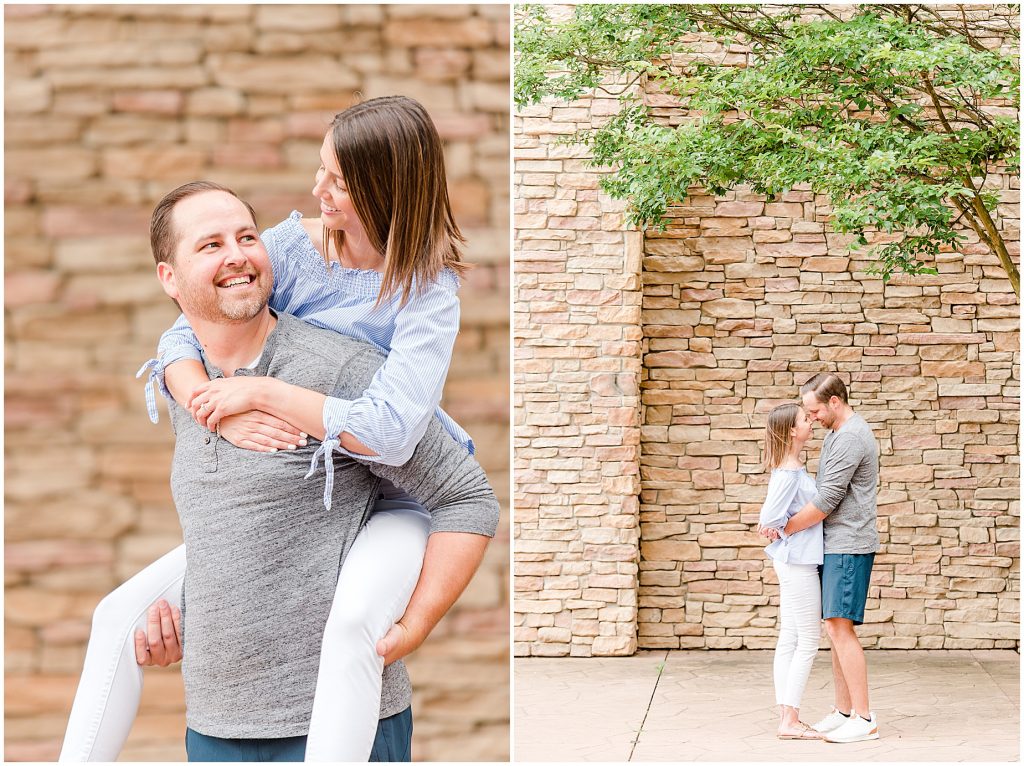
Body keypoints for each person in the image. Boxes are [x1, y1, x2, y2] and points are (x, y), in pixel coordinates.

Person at [60, 96, 489, 762]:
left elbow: (394, 434)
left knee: (353, 627)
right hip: (319, 485)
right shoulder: (291, 244)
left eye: (338, 181)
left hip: (393, 500)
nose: (317, 190)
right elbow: (193, 322)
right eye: (321, 169)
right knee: (118, 616)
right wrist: (208, 401)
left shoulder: (427, 295)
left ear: (384, 190)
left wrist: (267, 392)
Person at [763, 372, 880, 744]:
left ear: (833, 402)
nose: (810, 418)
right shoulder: (836, 434)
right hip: (834, 544)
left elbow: (826, 501)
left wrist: (783, 529)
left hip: (848, 542)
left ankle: (864, 717)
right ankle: (844, 710)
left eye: (813, 410)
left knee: (838, 627)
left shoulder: (849, 438)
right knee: (833, 627)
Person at [757, 403, 824, 740]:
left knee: (791, 637)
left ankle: (787, 716)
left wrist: (780, 528)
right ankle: (790, 720)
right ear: (791, 432)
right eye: (804, 419)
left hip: (794, 559)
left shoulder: (793, 468)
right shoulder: (788, 472)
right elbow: (769, 517)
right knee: (808, 639)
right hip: (798, 562)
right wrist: (779, 528)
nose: (810, 421)